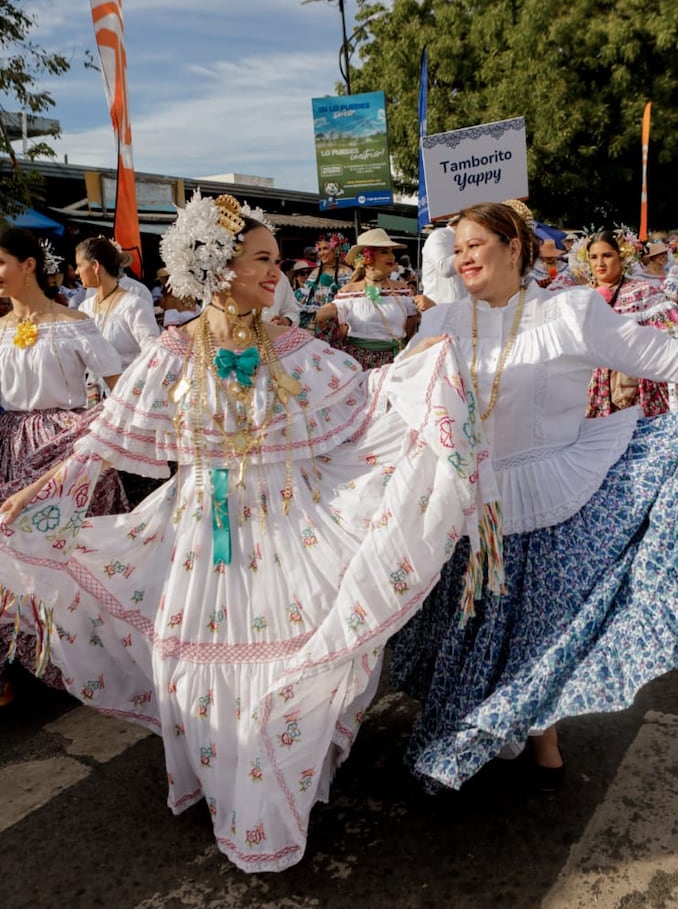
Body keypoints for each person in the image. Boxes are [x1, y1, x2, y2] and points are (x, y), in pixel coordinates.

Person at [0, 192, 497, 873]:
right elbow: (101, 442)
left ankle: (273, 793)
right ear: (218, 266)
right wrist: (30, 497)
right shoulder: (170, 352)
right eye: (263, 260)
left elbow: (366, 399)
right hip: (201, 532)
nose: (277, 273)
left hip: (289, 526)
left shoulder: (294, 349)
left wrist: (425, 364)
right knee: (190, 669)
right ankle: (217, 780)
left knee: (286, 665)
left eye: (275, 262)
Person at [390, 201, 678, 794]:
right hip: (471, 504)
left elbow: (664, 355)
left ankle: (542, 734)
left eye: (476, 244)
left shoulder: (570, 311)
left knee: (544, 629)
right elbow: (397, 394)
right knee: (468, 628)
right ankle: (479, 730)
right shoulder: (442, 320)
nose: (463, 256)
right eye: (457, 248)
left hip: (555, 491)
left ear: (514, 248)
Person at [0, 226, 127, 704]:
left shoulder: (75, 323)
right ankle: (23, 661)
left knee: (69, 558)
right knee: (13, 555)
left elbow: (124, 390)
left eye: (1, 263)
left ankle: (82, 661)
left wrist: (98, 438)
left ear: (29, 264)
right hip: (12, 446)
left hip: (67, 452)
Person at [566, 229, 678, 419]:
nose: (600, 263)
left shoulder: (642, 292)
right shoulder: (579, 296)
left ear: (622, 257)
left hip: (638, 387)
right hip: (589, 389)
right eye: (593, 257)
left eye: (607, 255)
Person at [316, 228, 420, 368]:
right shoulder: (348, 293)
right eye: (384, 252)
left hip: (396, 363)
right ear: (367, 258)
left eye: (391, 252)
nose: (392, 257)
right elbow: (322, 319)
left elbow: (410, 327)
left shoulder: (402, 290)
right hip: (361, 364)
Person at [75, 236, 160, 378]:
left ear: (95, 266)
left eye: (79, 265)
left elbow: (154, 354)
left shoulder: (134, 305)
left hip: (126, 393)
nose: (77, 272)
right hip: (91, 395)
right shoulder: (85, 307)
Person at [295, 233, 352, 332]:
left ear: (336, 250)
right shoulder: (315, 273)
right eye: (319, 250)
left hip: (339, 326)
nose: (321, 253)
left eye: (325, 248)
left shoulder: (346, 272)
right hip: (315, 326)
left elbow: (351, 303)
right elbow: (305, 300)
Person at [416, 220, 466, 310]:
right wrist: (470, 250)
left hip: (464, 311)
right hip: (439, 311)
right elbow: (444, 268)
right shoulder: (440, 235)